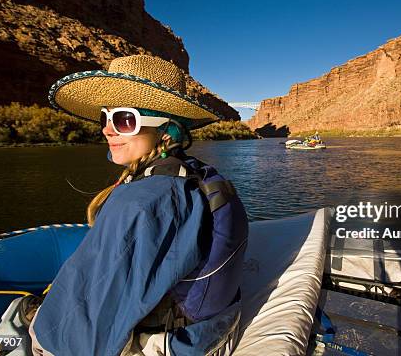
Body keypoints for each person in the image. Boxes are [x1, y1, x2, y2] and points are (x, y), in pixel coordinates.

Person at [29, 55, 249, 356]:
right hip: (213, 329)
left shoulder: (142, 203)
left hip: (178, 344)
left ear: (166, 129)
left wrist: (43, 335)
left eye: (124, 119)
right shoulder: (189, 173)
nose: (108, 130)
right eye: (105, 118)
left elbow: (85, 332)